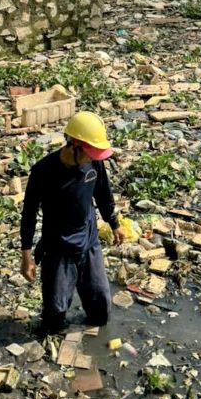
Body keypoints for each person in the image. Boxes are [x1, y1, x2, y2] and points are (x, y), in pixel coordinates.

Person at [20, 111, 125, 334]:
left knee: (101, 310)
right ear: (74, 145)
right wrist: (26, 255)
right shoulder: (43, 172)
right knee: (54, 317)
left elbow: (104, 195)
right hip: (58, 248)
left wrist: (114, 223)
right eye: (89, 153)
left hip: (88, 241)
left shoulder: (94, 164)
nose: (93, 158)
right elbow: (29, 214)